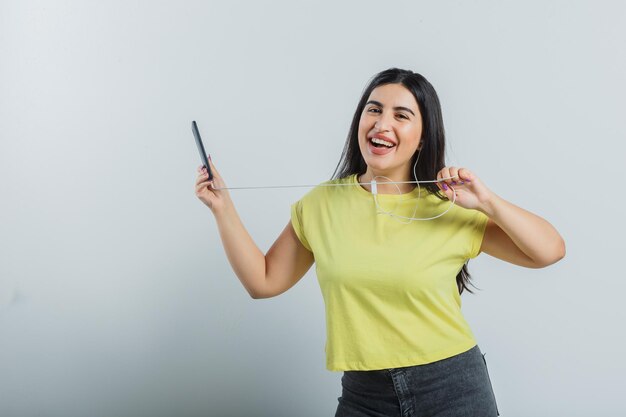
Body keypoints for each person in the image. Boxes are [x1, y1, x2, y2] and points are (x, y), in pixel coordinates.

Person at [194, 68, 566, 417]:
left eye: (401, 115)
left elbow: (549, 251)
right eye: (374, 110)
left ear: (422, 138)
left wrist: (488, 202)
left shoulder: (448, 207)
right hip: (364, 396)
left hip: (454, 389)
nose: (382, 123)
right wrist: (222, 209)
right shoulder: (321, 204)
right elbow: (263, 281)